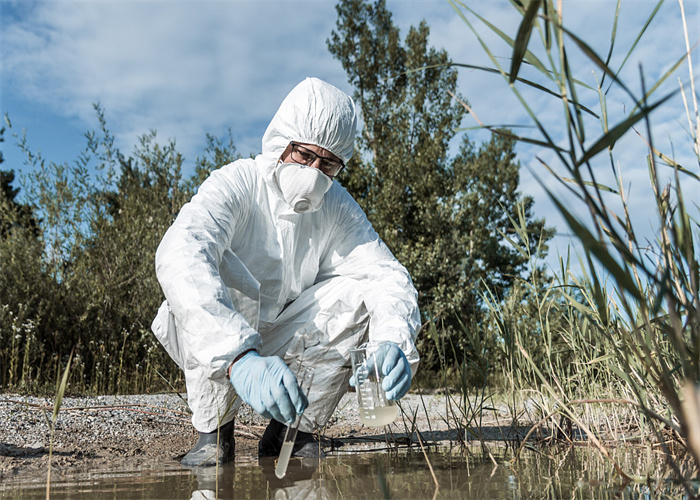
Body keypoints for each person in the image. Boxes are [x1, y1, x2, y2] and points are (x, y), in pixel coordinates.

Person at [151, 77, 421, 467]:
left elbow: (384, 274)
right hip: (217, 334)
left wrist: (393, 338)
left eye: (328, 163)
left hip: (283, 332)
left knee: (359, 293)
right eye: (304, 155)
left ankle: (292, 431)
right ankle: (214, 432)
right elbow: (182, 251)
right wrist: (239, 358)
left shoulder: (337, 207)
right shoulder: (239, 183)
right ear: (283, 141)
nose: (314, 172)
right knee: (218, 270)